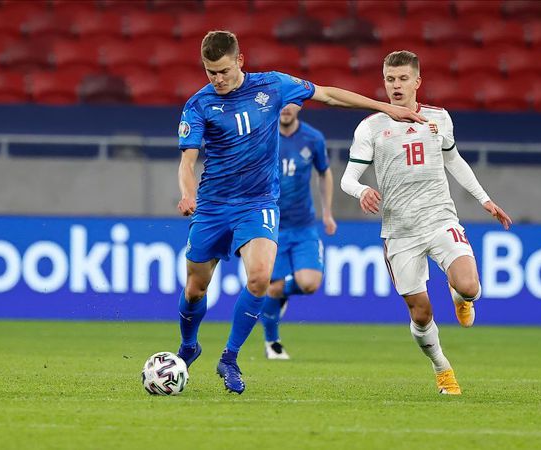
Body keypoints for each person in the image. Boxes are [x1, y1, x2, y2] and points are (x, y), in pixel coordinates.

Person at [176, 31, 425, 394]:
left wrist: (385, 108)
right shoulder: (198, 104)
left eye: (224, 71)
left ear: (240, 62)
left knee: (260, 278)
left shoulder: (273, 86)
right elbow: (188, 161)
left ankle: (229, 358)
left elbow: (328, 94)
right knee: (196, 289)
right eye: (210, 72)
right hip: (213, 205)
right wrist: (187, 194)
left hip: (258, 203)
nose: (217, 79)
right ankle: (188, 346)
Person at [340, 50, 512, 395]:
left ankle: (460, 298)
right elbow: (348, 178)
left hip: (439, 218)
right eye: (390, 79)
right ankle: (442, 368)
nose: (396, 85)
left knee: (469, 286)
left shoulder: (439, 118)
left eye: (403, 78)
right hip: (400, 232)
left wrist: (485, 200)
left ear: (417, 81)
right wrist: (361, 191)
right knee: (420, 314)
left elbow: (455, 161)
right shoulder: (371, 127)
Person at [260, 104, 337, 360]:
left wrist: (327, 212)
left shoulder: (313, 138)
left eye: (291, 104)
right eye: (282, 104)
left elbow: (324, 173)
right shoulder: (263, 135)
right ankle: (273, 343)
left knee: (309, 284)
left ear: (299, 107)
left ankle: (280, 294)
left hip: (304, 225)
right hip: (272, 226)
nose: (286, 109)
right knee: (272, 287)